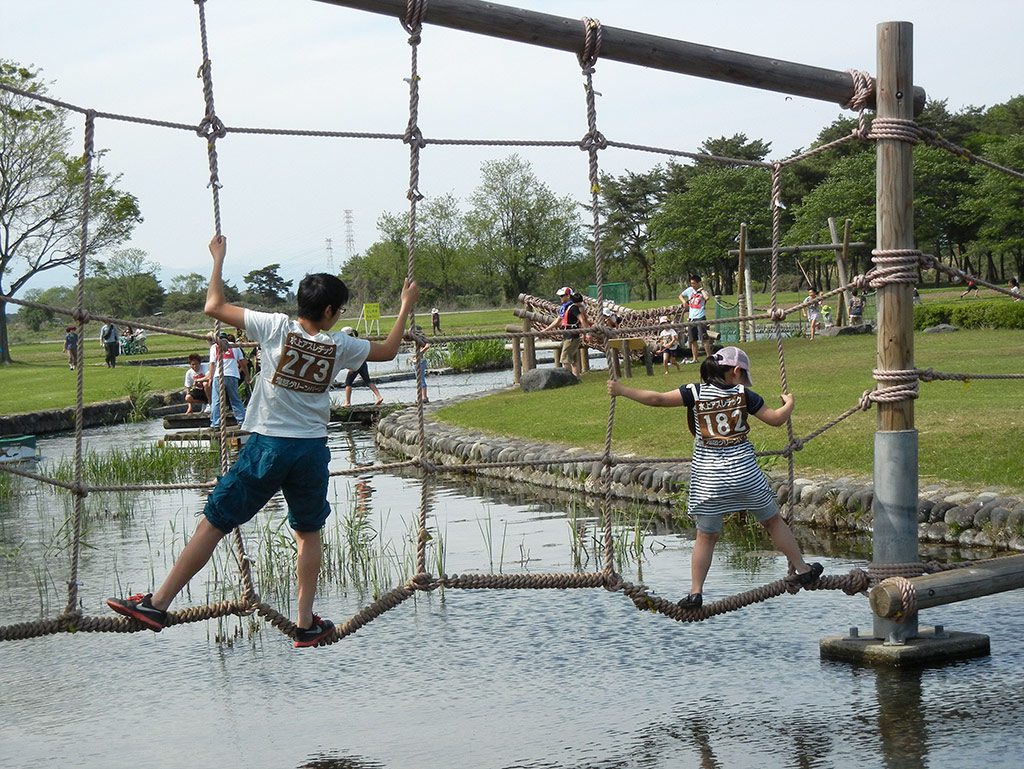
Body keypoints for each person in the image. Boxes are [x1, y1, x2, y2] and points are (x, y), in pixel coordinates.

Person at [107, 233, 419, 648]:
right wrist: (405, 306)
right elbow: (391, 350)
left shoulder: (274, 327)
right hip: (311, 450)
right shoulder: (341, 344)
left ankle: (158, 602)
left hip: (267, 447)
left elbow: (213, 307)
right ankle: (305, 622)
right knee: (308, 532)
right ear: (329, 312)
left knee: (215, 521)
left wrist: (218, 259)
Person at [608, 346, 823, 607]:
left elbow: (658, 399)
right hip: (744, 473)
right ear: (736, 372)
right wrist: (789, 404)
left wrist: (621, 390)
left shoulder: (694, 392)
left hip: (709, 478)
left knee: (705, 536)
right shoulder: (744, 394)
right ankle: (802, 568)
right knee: (773, 522)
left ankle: (695, 592)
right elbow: (776, 419)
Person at [540, 290, 589, 378]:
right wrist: (546, 330)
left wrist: (587, 333)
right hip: (568, 335)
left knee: (565, 359)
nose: (560, 298)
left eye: (562, 296)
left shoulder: (573, 308)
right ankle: (576, 378)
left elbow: (582, 319)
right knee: (573, 359)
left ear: (568, 296)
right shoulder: (566, 308)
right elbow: (557, 321)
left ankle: (569, 379)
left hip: (571, 336)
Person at [208, 331, 248, 428]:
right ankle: (242, 420)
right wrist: (247, 375)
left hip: (219, 375)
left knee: (216, 400)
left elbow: (212, 364)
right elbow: (243, 362)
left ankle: (216, 423)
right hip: (232, 375)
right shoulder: (234, 346)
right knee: (235, 399)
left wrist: (210, 377)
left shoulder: (214, 347)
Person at [339, 327, 383, 407]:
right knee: (368, 381)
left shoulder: (348, 343)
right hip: (363, 363)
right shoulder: (357, 341)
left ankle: (347, 402)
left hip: (355, 365)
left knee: (348, 383)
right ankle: (379, 396)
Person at [678, 274, 712, 362]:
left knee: (704, 338)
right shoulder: (689, 290)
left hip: (700, 317)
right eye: (691, 283)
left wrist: (701, 290)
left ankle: (709, 357)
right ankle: (695, 358)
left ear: (698, 283)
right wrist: (684, 302)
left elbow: (707, 297)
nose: (692, 285)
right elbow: (680, 295)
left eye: (694, 283)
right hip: (691, 318)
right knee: (692, 339)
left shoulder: (702, 291)